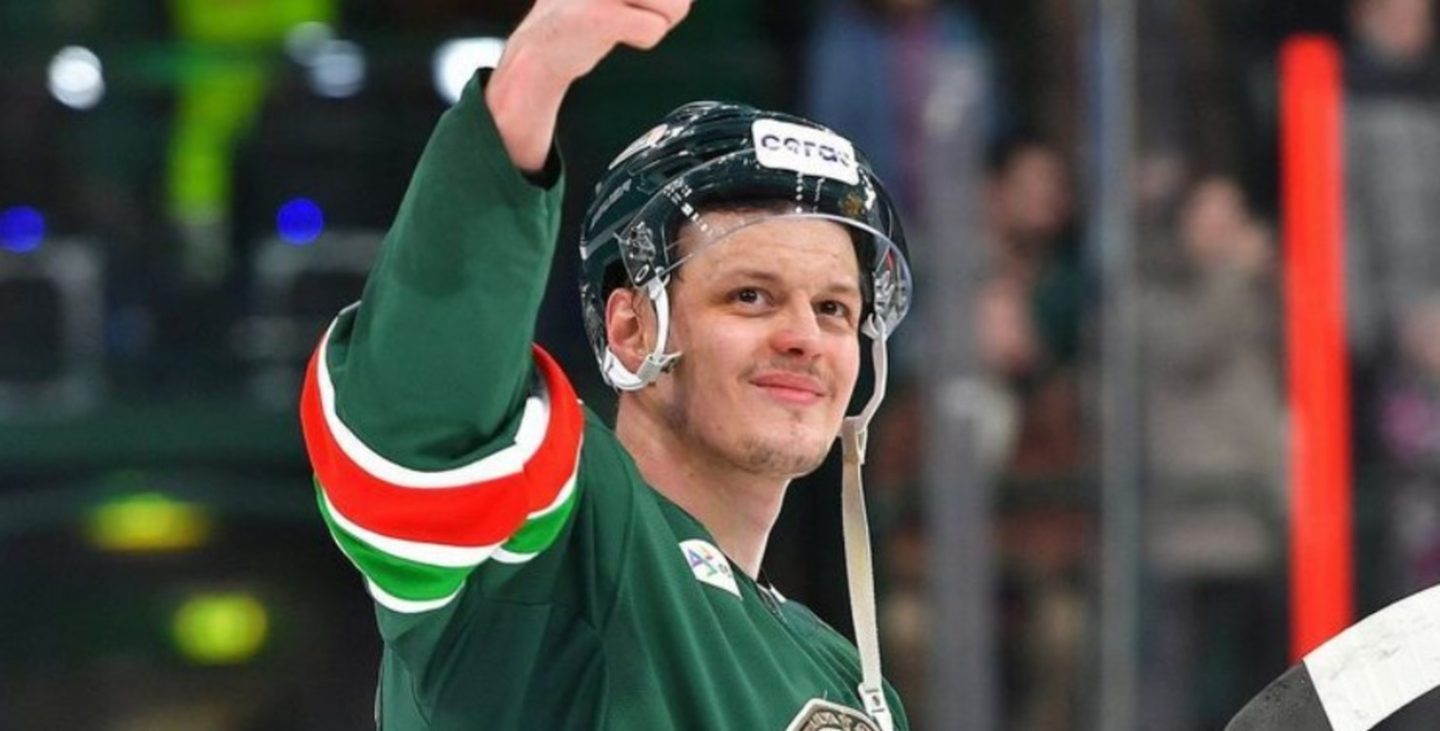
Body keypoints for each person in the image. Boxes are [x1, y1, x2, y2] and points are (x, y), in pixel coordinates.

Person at [296, 0, 916, 728]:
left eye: (834, 308)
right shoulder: (558, 554)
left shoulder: (846, 677)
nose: (805, 336)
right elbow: (422, 423)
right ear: (632, 328)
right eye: (751, 296)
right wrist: (532, 77)